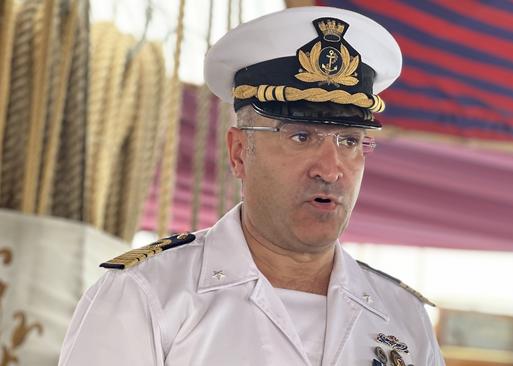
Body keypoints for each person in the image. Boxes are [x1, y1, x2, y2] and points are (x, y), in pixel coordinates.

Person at [58, 6, 445, 366]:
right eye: (301, 137)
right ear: (240, 151)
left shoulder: (403, 318)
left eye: (348, 141)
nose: (330, 170)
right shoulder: (146, 295)